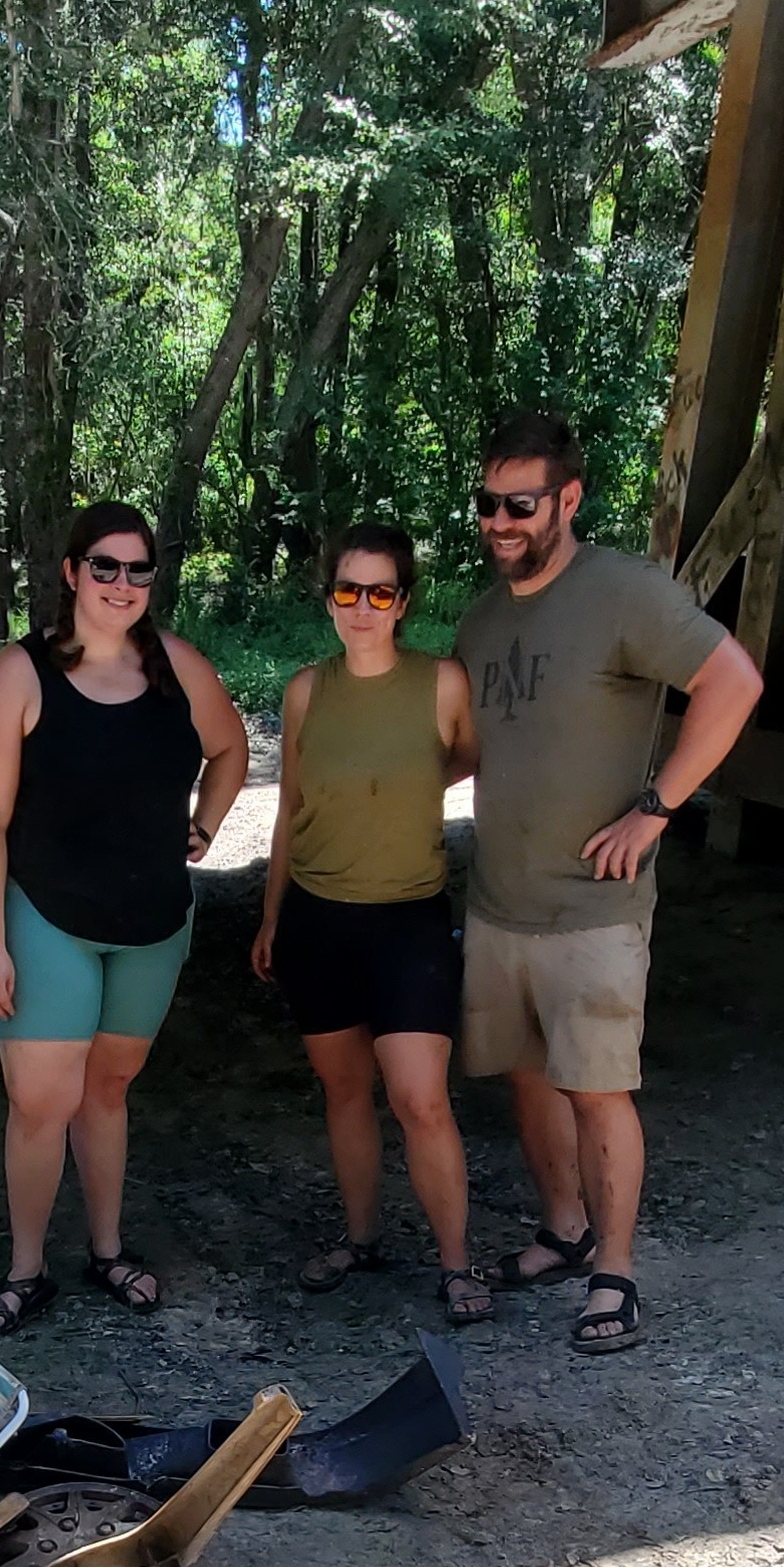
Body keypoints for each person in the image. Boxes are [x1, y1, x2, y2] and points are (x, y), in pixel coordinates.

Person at [457, 411, 763, 1352]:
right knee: (528, 1078)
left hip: (593, 908)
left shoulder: (624, 591)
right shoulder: (481, 617)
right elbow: (465, 748)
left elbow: (734, 682)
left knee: (598, 1088)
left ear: (568, 499)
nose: (501, 522)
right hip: (500, 901)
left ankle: (616, 1275)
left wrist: (658, 807)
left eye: (521, 505)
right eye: (487, 504)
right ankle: (563, 1230)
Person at [0, 499, 249, 1331]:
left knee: (109, 1091)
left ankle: (108, 1249)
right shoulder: (19, 677)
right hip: (46, 916)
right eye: (105, 566)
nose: (122, 584)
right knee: (42, 1100)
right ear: (71, 572)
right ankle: (25, 1270)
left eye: (139, 569)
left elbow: (230, 750)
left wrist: (206, 823)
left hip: (153, 922)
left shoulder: (178, 667)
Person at [249, 524, 491, 1326]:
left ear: (404, 602)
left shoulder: (442, 684)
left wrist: (411, 781)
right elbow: (290, 809)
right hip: (318, 921)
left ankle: (457, 1266)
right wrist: (273, 914)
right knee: (344, 1091)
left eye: (379, 592)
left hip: (408, 922)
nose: (362, 607)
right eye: (347, 591)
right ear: (329, 600)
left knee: (421, 1098)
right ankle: (360, 1240)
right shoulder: (306, 692)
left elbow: (469, 758)